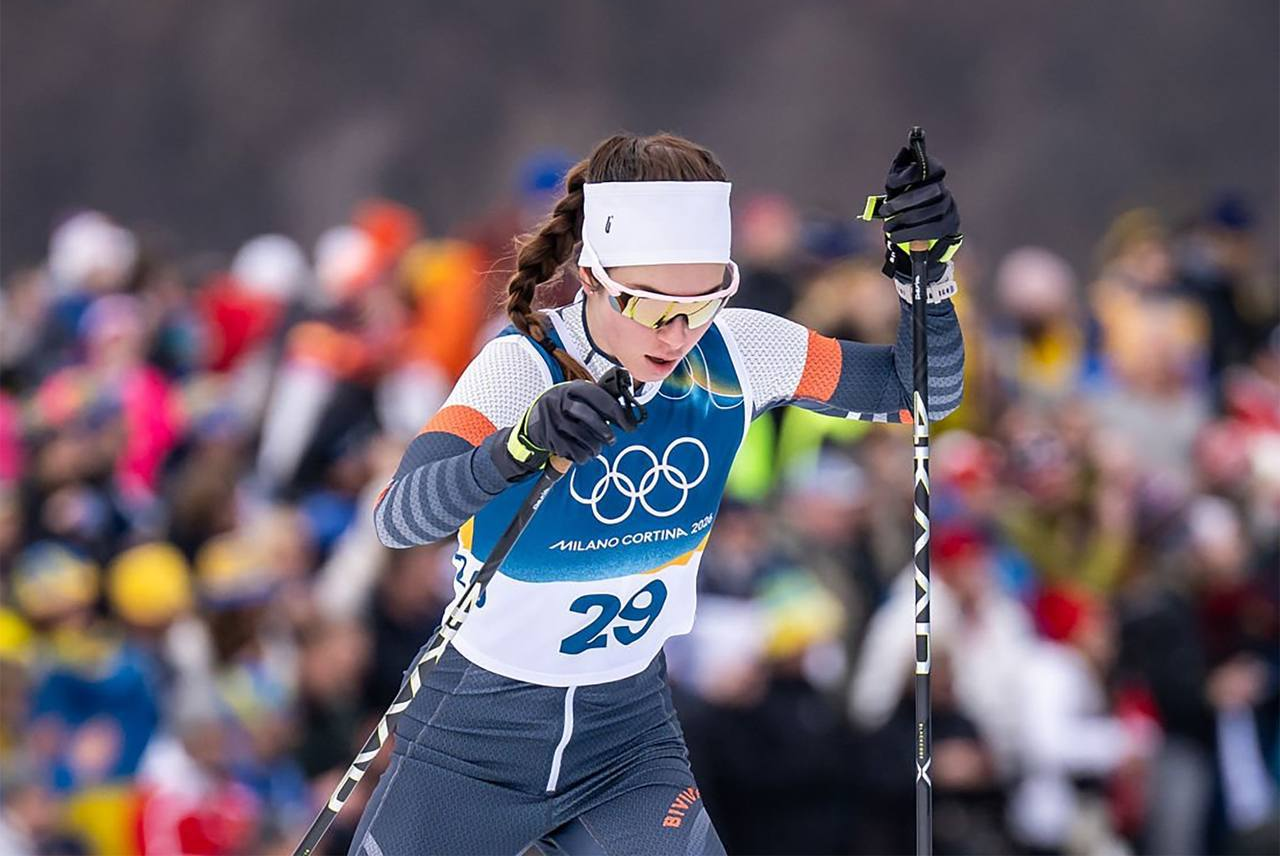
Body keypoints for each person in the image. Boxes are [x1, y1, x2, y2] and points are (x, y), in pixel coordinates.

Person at [351, 131, 965, 855]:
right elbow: (398, 514)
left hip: (627, 741)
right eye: (648, 307)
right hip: (474, 743)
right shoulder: (522, 366)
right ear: (592, 279)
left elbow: (920, 393)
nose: (678, 334)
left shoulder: (739, 351)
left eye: (705, 302)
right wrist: (518, 446)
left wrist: (926, 280)